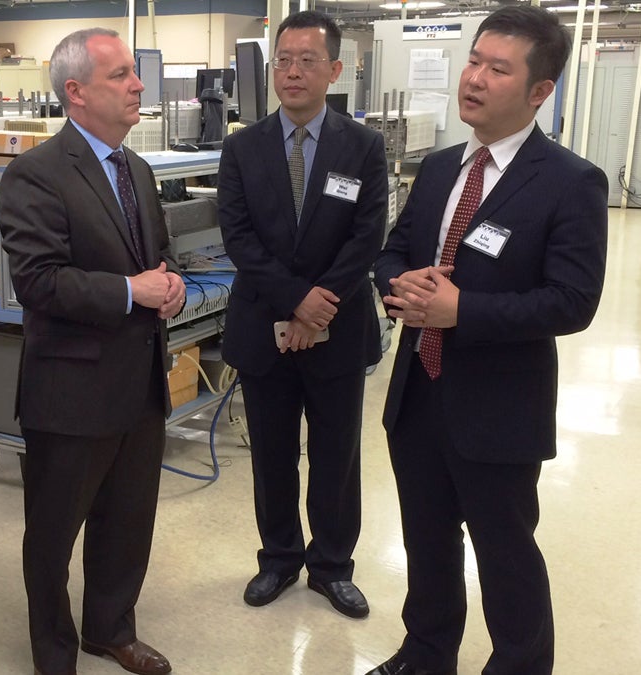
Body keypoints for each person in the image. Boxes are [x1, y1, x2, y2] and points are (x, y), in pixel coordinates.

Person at [367, 6, 608, 674]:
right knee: (426, 539)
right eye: (473, 60)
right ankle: (426, 652)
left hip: (500, 406)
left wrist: (461, 310)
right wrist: (401, 283)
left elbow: (573, 301)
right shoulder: (443, 168)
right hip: (419, 392)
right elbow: (393, 251)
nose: (473, 77)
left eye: (496, 69)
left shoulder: (570, 182)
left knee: (505, 552)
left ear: (538, 91)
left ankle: (520, 665)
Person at [0, 28, 185, 675]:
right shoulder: (34, 175)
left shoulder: (136, 169)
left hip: (139, 384)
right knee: (52, 533)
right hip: (72, 391)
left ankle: (110, 627)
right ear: (75, 92)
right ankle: (53, 649)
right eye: (121, 75)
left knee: (128, 520)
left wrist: (172, 285)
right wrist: (132, 290)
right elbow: (39, 281)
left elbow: (157, 258)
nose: (138, 85)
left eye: (135, 74)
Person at [217, 10, 387, 620]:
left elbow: (368, 236)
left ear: (334, 69)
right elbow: (238, 236)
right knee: (271, 450)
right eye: (282, 60)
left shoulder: (363, 146)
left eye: (306, 60)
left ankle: (333, 565)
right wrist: (295, 301)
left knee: (337, 453)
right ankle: (280, 557)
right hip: (266, 326)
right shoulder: (241, 147)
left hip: (337, 329)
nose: (292, 72)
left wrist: (319, 307)